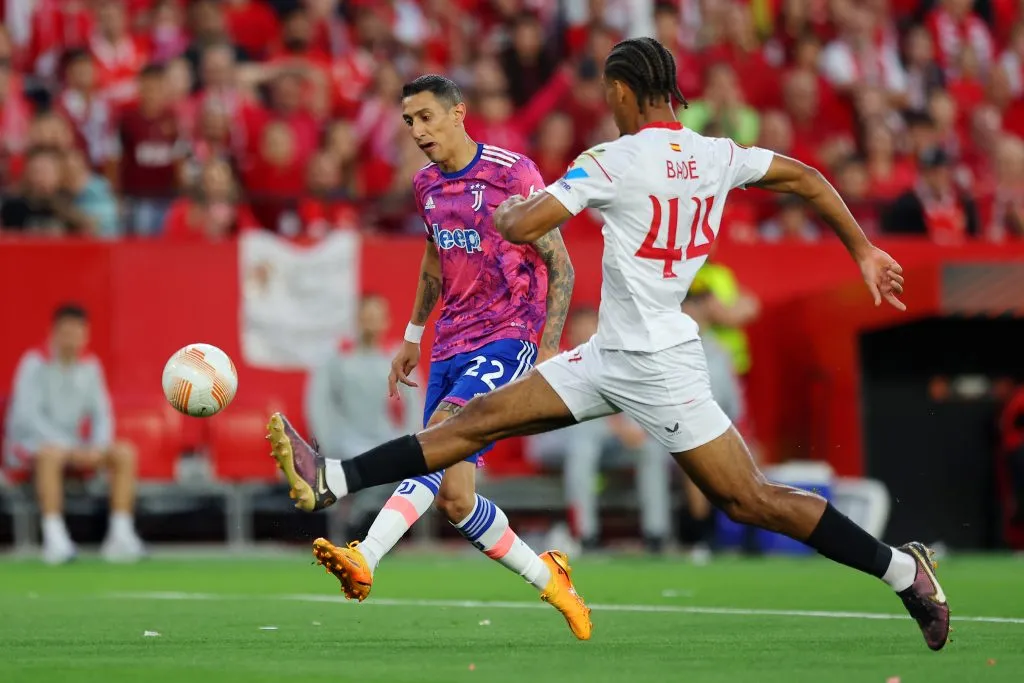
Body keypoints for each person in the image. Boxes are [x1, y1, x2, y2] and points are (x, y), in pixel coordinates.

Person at [267, 38, 948, 651]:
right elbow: (804, 176)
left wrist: (506, 211)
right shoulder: (716, 153)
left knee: (751, 500)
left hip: (656, 367)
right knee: (469, 424)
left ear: (622, 92)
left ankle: (901, 568)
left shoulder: (615, 158)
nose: (607, 105)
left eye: (607, 94)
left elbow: (529, 218)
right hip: (604, 358)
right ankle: (333, 476)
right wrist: (861, 248)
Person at [285, 74, 588, 640]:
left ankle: (366, 556)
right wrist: (411, 334)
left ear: (458, 114)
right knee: (453, 498)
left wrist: (546, 350)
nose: (417, 131)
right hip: (450, 341)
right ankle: (549, 576)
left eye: (425, 117)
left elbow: (561, 264)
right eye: (408, 122)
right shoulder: (425, 185)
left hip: (509, 336)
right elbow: (434, 261)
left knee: (442, 435)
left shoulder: (511, 173)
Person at [3, 304, 144, 564]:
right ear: (53, 333)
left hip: (75, 447)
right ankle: (55, 538)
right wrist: (69, 447)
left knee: (124, 452)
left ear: (85, 335)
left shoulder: (91, 367)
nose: (71, 339)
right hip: (29, 446)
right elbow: (28, 417)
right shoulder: (33, 364)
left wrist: (97, 446)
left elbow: (102, 414)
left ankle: (120, 535)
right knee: (51, 454)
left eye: (76, 332)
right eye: (65, 332)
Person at [527, 307, 672, 552]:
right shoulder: (557, 364)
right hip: (557, 441)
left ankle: (656, 534)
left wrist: (629, 430)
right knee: (583, 444)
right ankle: (586, 535)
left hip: (602, 447)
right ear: (570, 333)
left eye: (591, 327)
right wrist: (615, 427)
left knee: (649, 449)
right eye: (580, 327)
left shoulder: (616, 365)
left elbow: (633, 412)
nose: (586, 333)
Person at [305, 294, 422, 536]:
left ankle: (369, 521)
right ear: (357, 321)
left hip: (385, 441)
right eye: (366, 318)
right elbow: (318, 404)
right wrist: (327, 442)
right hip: (348, 445)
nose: (371, 323)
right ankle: (355, 523)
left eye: (376, 318)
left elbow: (416, 402)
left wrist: (410, 440)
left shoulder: (394, 361)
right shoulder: (338, 364)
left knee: (396, 467)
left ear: (386, 321)